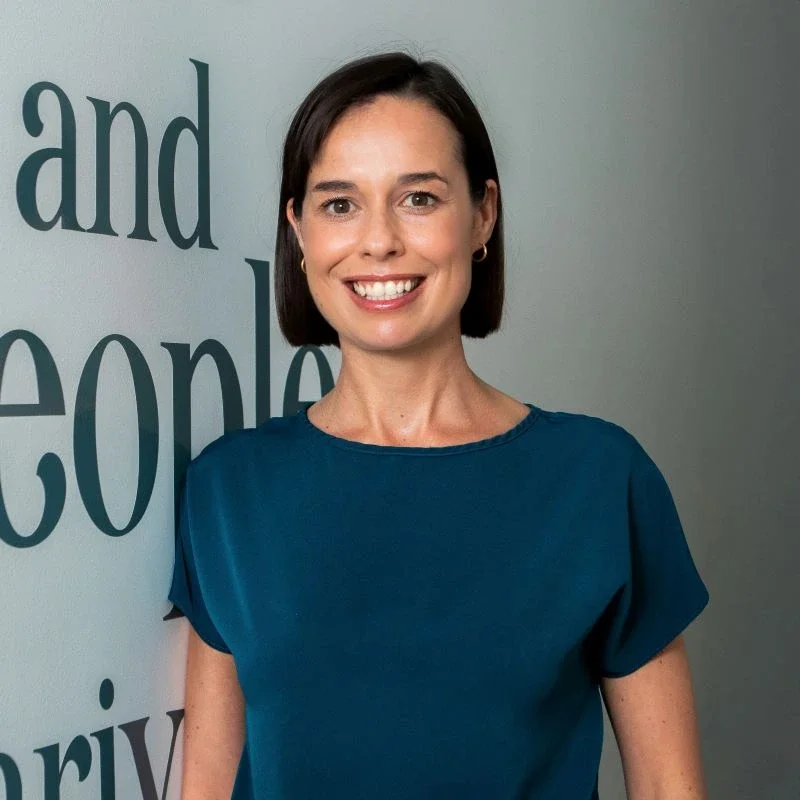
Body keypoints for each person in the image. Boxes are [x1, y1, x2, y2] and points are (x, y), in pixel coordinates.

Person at [169, 51, 711, 799]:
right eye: (338, 204)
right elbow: (204, 782)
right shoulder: (229, 490)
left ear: (482, 212)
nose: (379, 241)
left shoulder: (599, 479)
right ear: (297, 230)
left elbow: (669, 788)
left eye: (418, 199)